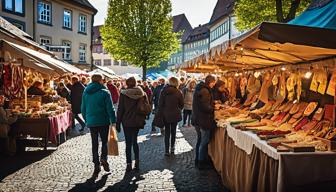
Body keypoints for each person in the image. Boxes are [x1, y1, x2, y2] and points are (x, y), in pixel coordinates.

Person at [81, 74, 116, 179]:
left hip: (91, 121)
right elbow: (110, 108)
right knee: (104, 142)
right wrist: (113, 120)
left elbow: (83, 108)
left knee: (94, 143)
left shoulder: (86, 92)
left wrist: (87, 120)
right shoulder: (105, 92)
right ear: (101, 81)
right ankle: (104, 158)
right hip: (103, 121)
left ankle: (96, 163)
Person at [116, 77, 148, 172]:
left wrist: (118, 123)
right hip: (137, 121)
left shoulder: (123, 94)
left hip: (127, 121)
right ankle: (137, 161)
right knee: (135, 141)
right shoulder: (141, 93)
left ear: (127, 83)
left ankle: (129, 164)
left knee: (128, 143)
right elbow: (146, 106)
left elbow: (120, 109)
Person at [192, 75, 217, 169]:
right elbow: (205, 107)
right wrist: (214, 108)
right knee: (204, 141)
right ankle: (201, 162)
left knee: (200, 140)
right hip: (203, 120)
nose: (214, 85)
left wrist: (212, 104)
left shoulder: (201, 89)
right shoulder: (205, 91)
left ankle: (199, 159)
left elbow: (203, 104)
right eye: (214, 82)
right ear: (210, 82)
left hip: (198, 118)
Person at [157, 77, 184, 156]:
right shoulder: (178, 92)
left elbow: (160, 104)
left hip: (166, 114)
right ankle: (172, 148)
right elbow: (182, 105)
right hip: (175, 114)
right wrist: (177, 109)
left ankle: (166, 150)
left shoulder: (163, 91)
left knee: (167, 132)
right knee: (173, 131)